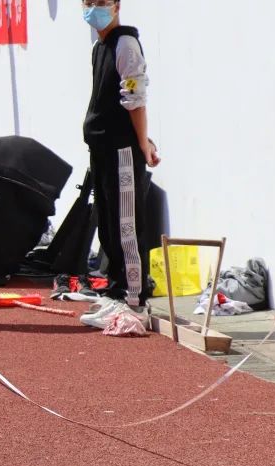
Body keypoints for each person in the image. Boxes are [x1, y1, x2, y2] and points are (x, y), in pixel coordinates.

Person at [75, 0, 162, 331]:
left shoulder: (125, 44)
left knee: (126, 225)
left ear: (116, 5)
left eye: (101, 2)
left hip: (121, 149)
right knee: (109, 225)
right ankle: (115, 292)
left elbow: (135, 99)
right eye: (88, 2)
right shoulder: (100, 47)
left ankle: (134, 299)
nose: (94, 8)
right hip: (101, 148)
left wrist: (143, 142)